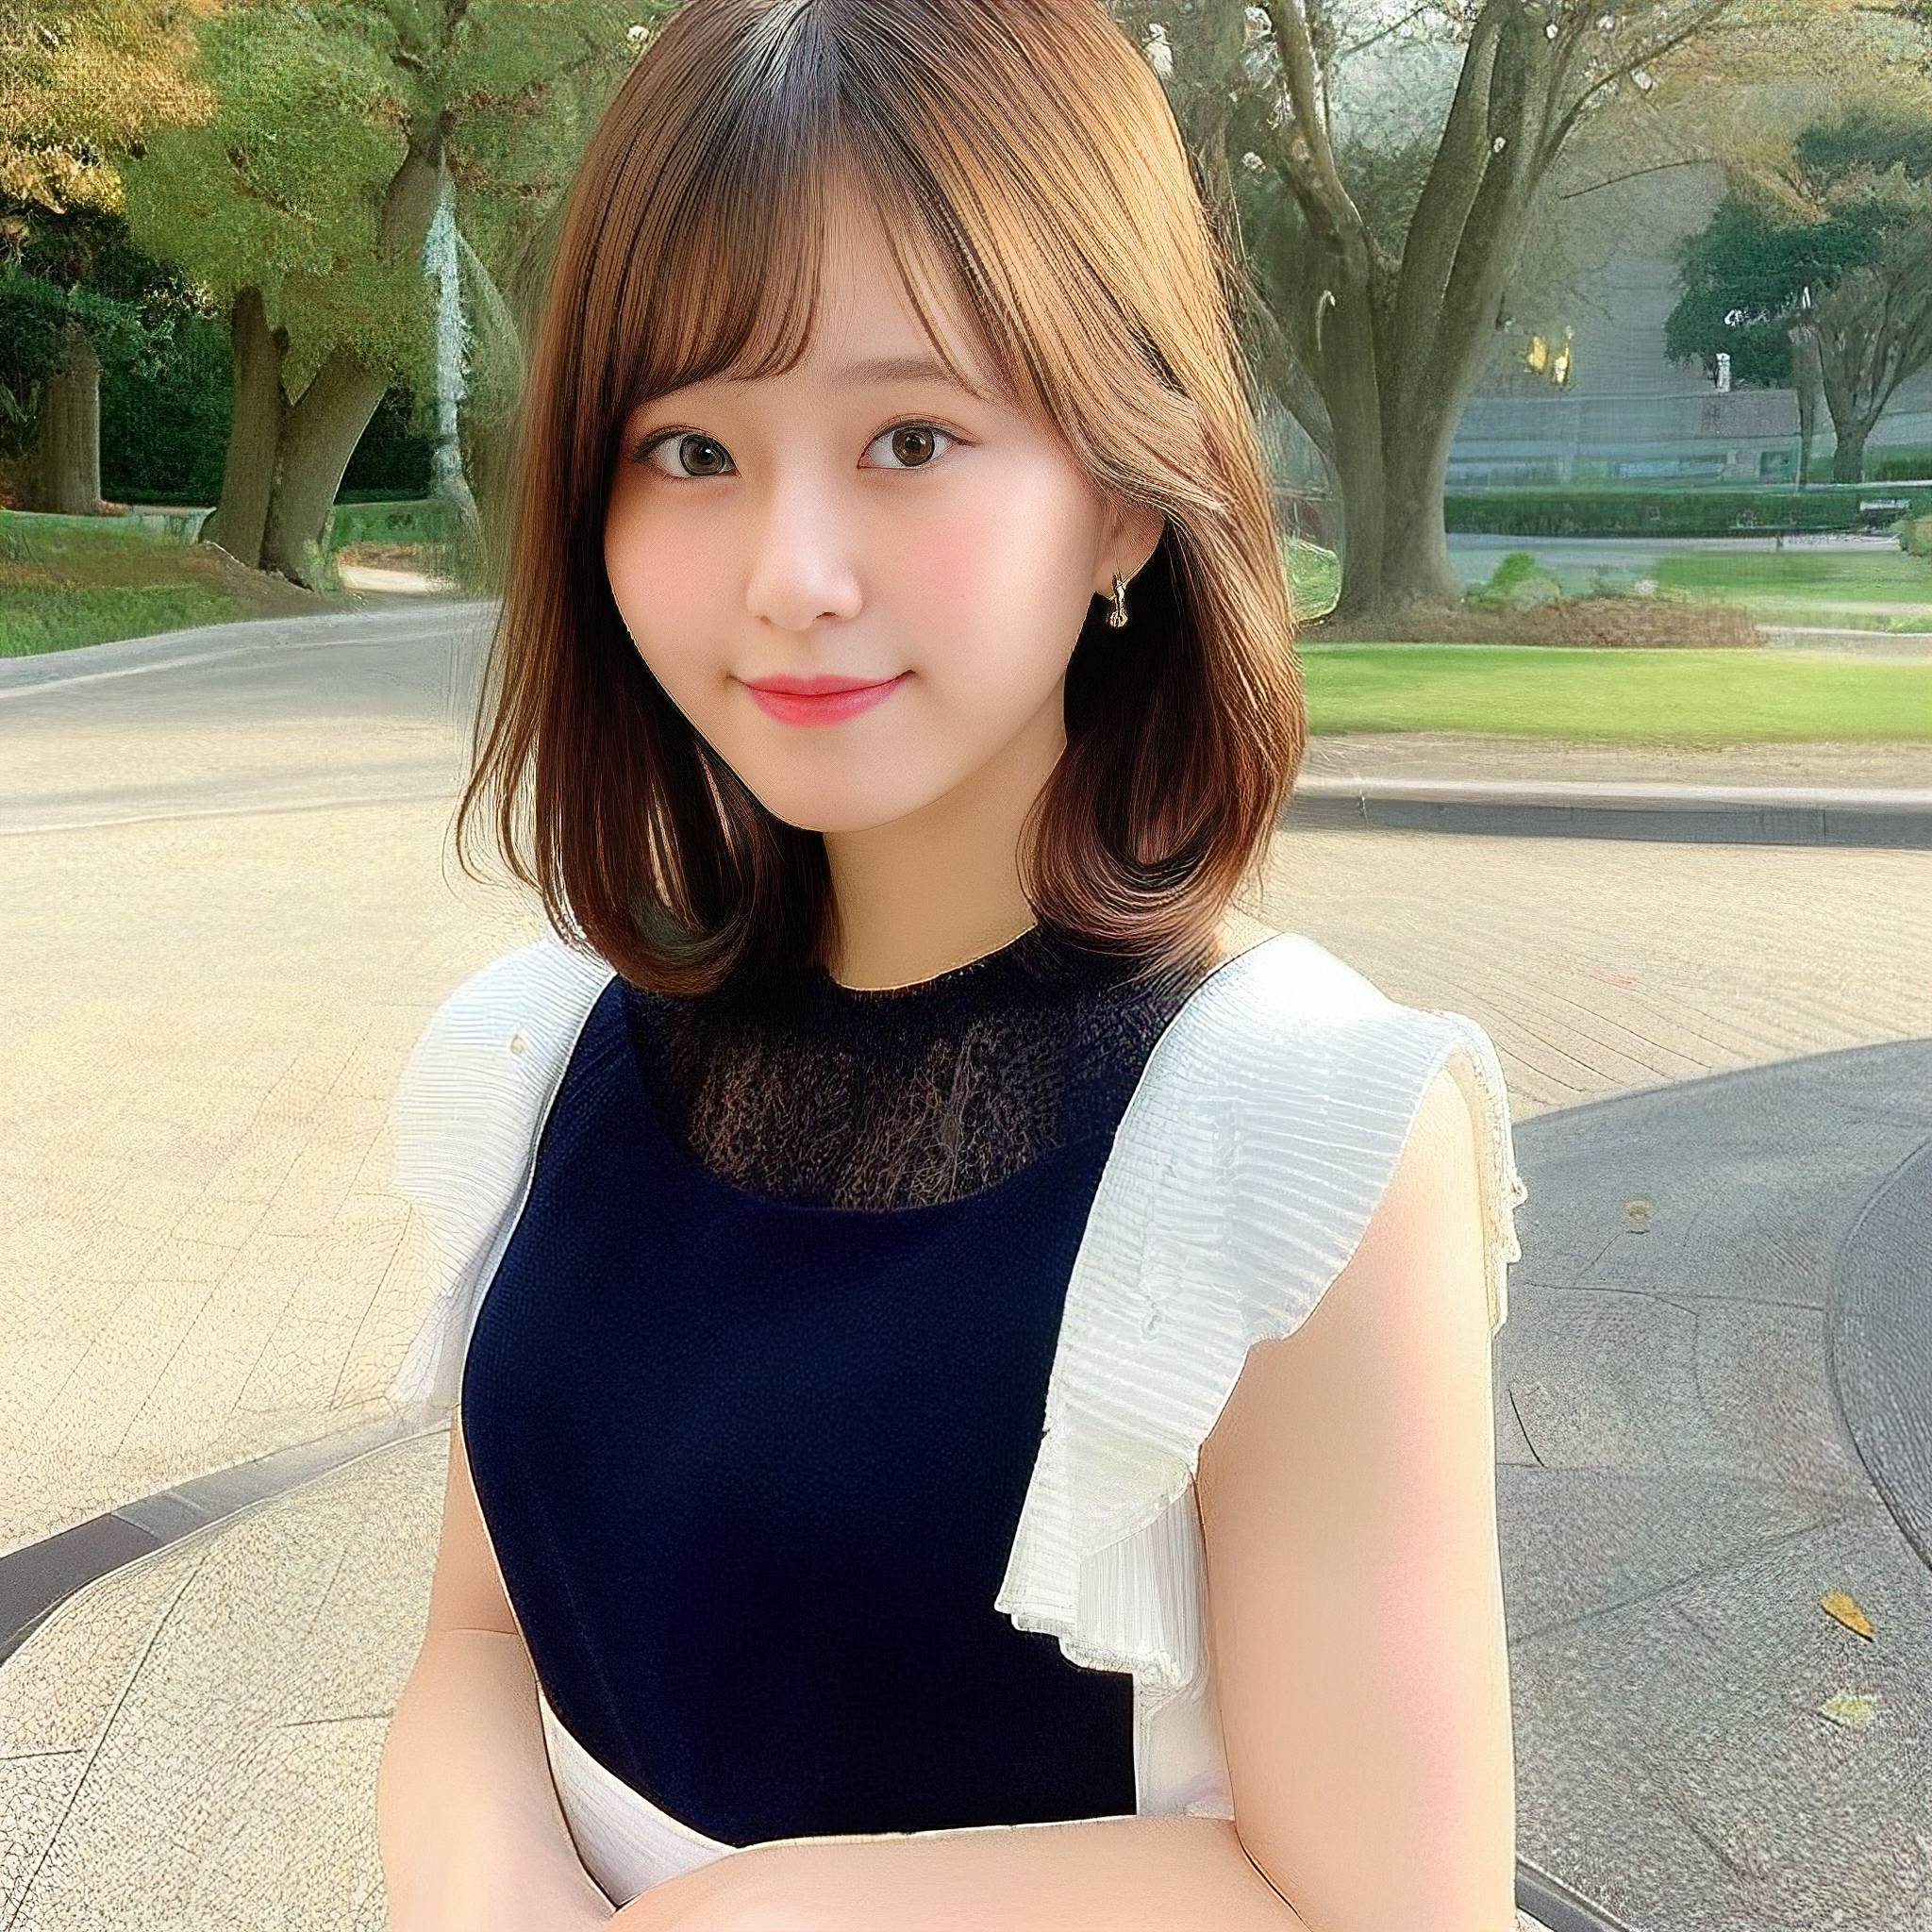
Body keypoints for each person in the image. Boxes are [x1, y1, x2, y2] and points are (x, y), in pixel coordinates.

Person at [375, 1, 1531, 1927]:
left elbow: (1380, 1902)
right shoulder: (541, 1049)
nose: (789, 569)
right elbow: (484, 1639)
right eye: (689, 446)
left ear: (1125, 493)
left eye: (910, 436)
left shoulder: (1300, 1139)